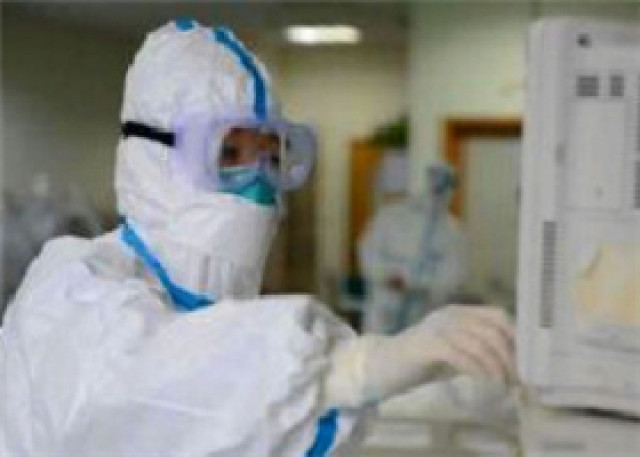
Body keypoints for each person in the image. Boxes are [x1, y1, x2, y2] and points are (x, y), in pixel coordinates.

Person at [0, 20, 515, 457]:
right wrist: (358, 367)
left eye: (272, 156)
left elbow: (252, 420)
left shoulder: (224, 315)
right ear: (153, 159)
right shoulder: (73, 287)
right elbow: (146, 390)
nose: (259, 185)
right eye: (229, 154)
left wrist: (425, 370)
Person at [359, 163, 468, 334]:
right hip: (385, 307)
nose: (435, 192)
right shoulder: (390, 217)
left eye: (443, 186)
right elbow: (369, 250)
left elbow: (452, 276)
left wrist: (417, 284)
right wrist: (387, 275)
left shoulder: (453, 232)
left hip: (423, 313)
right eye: (433, 183)